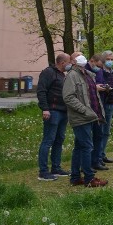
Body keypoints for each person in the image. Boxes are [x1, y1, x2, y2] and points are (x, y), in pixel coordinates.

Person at [62, 52, 107, 188]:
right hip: (81, 117)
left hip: (90, 117)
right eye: (77, 56)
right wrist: (85, 110)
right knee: (87, 146)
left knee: (80, 147)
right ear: (73, 61)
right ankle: (89, 178)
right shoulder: (72, 75)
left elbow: (92, 95)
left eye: (82, 55)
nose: (81, 57)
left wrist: (96, 113)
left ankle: (75, 177)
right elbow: (68, 97)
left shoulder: (86, 74)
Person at [36, 53, 71, 181]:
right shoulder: (48, 72)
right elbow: (41, 91)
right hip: (52, 111)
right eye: (69, 62)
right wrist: (45, 108)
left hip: (63, 112)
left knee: (59, 140)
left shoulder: (62, 75)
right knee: (48, 140)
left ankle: (56, 168)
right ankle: (43, 171)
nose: (70, 64)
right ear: (62, 63)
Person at [88, 54, 110, 172]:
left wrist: (104, 87)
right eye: (98, 65)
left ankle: (97, 160)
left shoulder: (100, 71)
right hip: (90, 107)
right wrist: (94, 87)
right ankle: (88, 163)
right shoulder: (85, 70)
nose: (99, 68)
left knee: (99, 134)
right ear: (92, 61)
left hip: (99, 104)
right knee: (90, 137)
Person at [98, 50, 113, 165]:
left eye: (112, 59)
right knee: (100, 130)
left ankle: (102, 153)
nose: (110, 61)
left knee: (106, 131)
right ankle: (98, 156)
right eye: (108, 59)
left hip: (111, 103)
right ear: (104, 60)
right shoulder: (100, 72)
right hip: (102, 103)